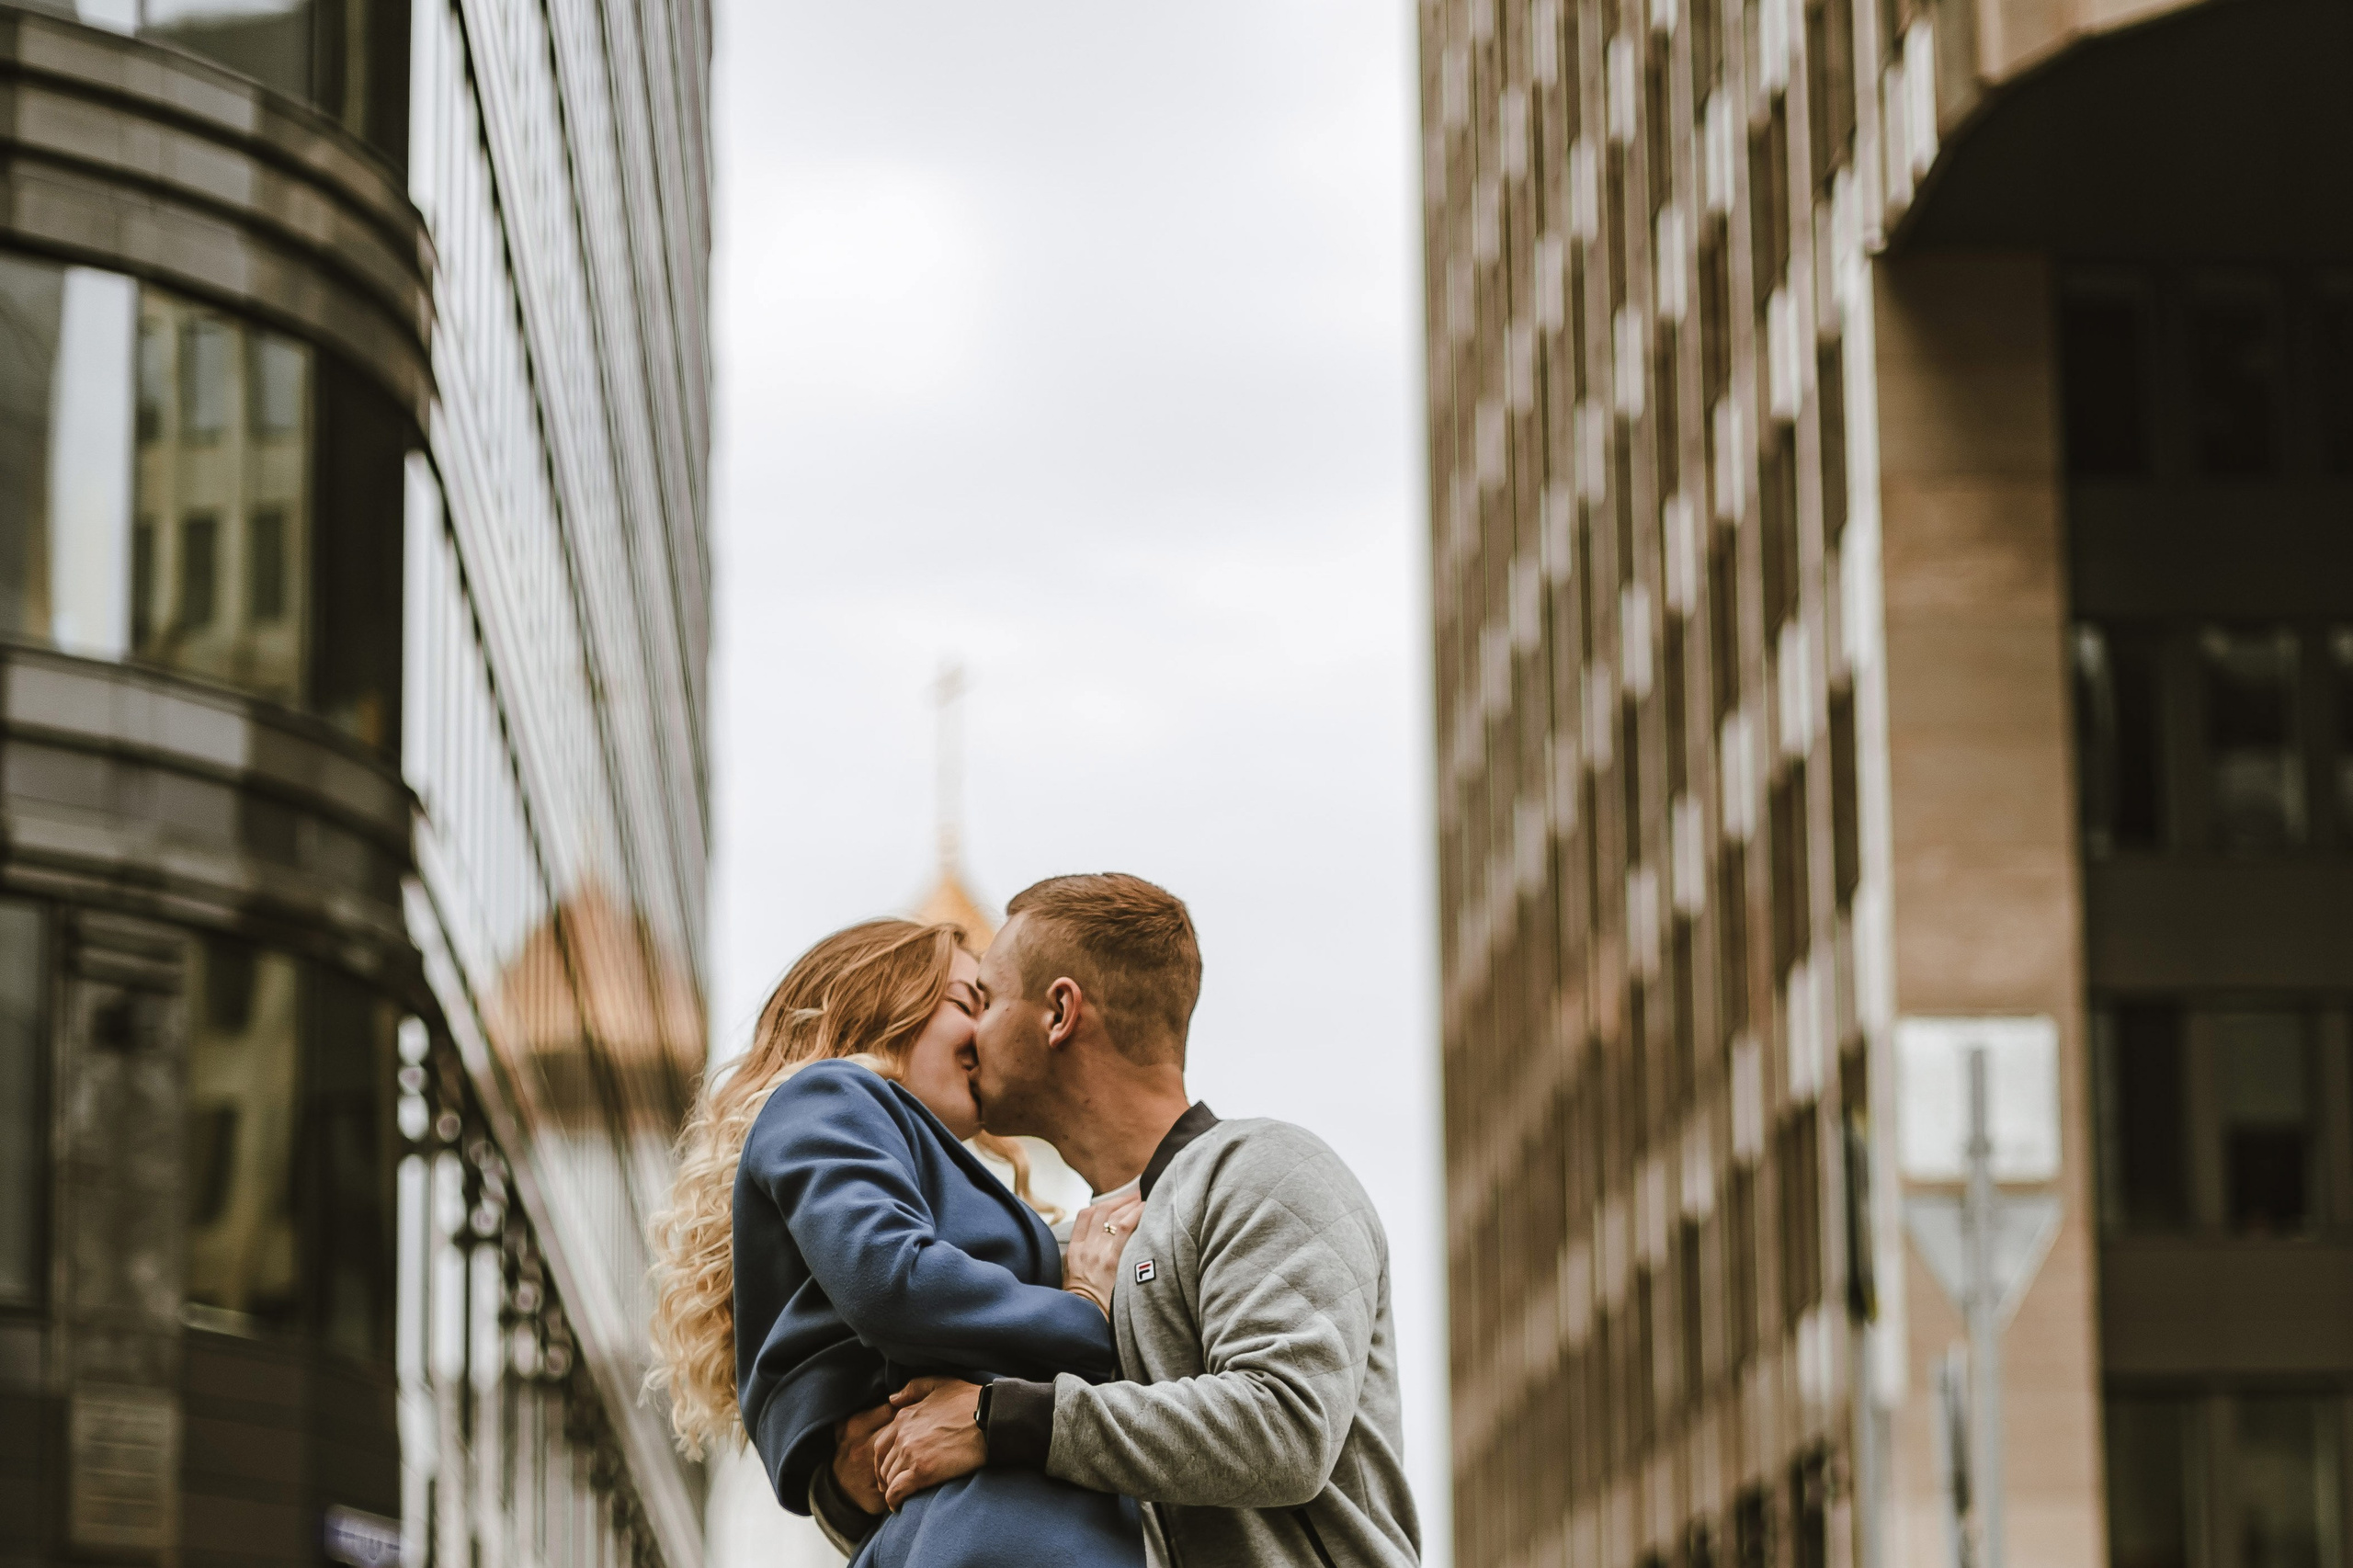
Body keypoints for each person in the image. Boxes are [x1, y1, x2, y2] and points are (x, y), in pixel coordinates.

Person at [873, 873, 1422, 1568]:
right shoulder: (1066, 1259)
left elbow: (1286, 1429)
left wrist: (1002, 1417)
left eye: (985, 999)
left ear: (1058, 1013)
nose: (970, 1032)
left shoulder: (1265, 1171)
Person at [644, 918, 1146, 1566]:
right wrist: (1086, 1311)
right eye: (970, 1004)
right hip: (1004, 1538)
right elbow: (893, 1280)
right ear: (884, 1003)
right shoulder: (829, 1094)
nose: (988, 1035)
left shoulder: (887, 1160)